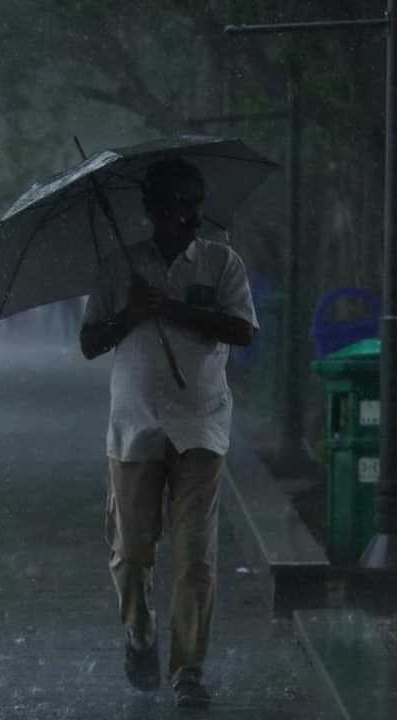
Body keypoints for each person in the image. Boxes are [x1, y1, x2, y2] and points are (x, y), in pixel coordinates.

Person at [78, 157, 258, 708]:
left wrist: (173, 309)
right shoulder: (118, 268)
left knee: (195, 553)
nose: (191, 219)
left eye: (196, 207)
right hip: (134, 426)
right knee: (131, 552)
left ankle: (188, 671)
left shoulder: (222, 264)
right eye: (179, 208)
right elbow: (90, 342)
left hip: (201, 424)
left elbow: (241, 330)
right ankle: (139, 634)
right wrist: (132, 313)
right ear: (153, 212)